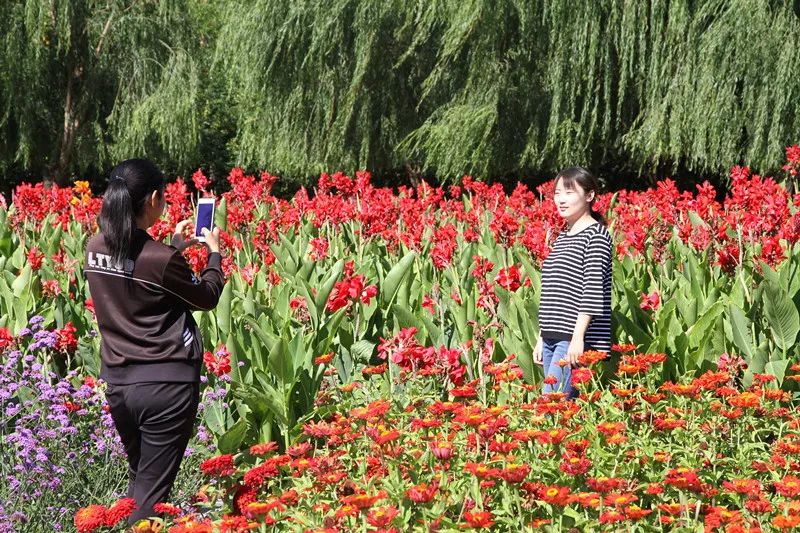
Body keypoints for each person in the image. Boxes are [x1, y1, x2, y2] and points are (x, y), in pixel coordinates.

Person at [85, 158, 225, 523]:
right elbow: (206, 297)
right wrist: (214, 254)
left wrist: (172, 249)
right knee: (150, 499)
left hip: (119, 384)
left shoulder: (94, 246)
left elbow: (135, 276)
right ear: (153, 199)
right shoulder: (159, 260)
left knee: (140, 484)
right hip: (165, 385)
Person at [533, 167, 612, 399]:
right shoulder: (563, 237)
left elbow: (592, 290)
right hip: (552, 335)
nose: (561, 200)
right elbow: (553, 291)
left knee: (552, 406)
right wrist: (541, 336)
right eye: (557, 193)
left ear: (589, 196)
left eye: (569, 192)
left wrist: (578, 339)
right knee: (562, 411)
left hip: (573, 338)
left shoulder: (596, 236)